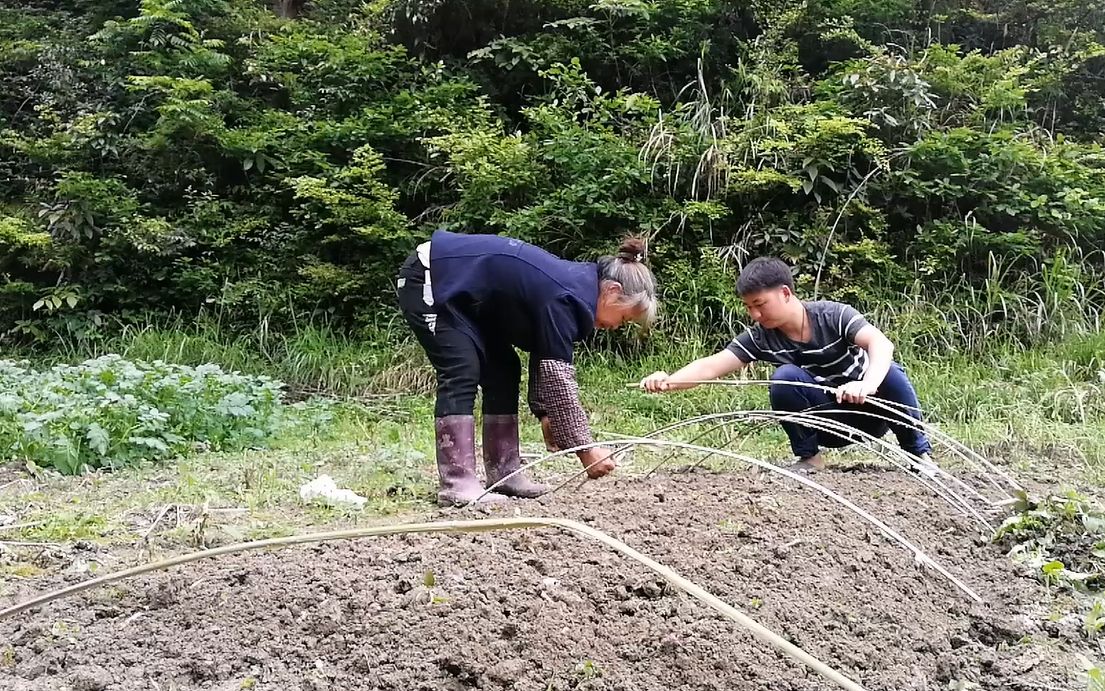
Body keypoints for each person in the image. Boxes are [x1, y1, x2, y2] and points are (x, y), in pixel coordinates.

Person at [396, 229, 658, 506]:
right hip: (431, 276)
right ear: (612, 291)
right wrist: (586, 451)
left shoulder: (576, 293)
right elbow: (559, 379)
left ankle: (505, 474)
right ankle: (457, 483)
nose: (617, 327)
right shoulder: (568, 296)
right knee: (462, 369)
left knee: (504, 369)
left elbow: (544, 354)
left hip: (471, 305)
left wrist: (546, 415)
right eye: (624, 318)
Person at [639, 256, 937, 475]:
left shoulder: (833, 315)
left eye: (760, 304)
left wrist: (866, 385)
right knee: (784, 377)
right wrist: (668, 381)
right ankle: (809, 459)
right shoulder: (762, 338)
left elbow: (881, 344)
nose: (755, 314)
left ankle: (918, 455)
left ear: (784, 293)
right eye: (749, 307)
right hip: (828, 422)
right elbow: (712, 366)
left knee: (891, 372)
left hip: (872, 411)